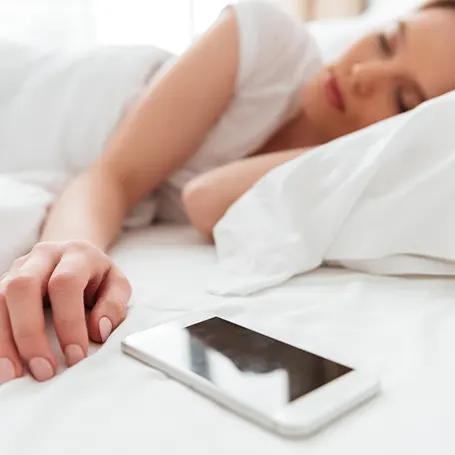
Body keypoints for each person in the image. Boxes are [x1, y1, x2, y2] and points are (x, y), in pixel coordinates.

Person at [1, 0, 455, 384]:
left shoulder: (330, 175)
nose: (363, 72)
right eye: (386, 41)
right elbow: (113, 175)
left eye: (404, 101)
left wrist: (359, 150)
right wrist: (66, 247)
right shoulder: (269, 41)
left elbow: (205, 198)